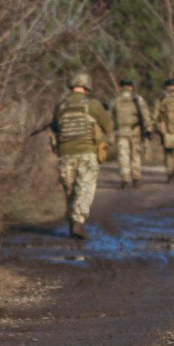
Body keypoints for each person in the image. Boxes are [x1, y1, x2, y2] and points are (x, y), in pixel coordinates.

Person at [51, 72, 113, 239]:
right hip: (87, 153)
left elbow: (55, 127)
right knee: (84, 189)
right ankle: (77, 223)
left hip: (65, 154)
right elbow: (108, 126)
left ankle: (73, 222)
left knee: (70, 189)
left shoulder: (60, 106)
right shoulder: (93, 105)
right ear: (87, 87)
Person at [111, 79, 154, 188]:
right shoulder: (138, 99)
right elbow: (145, 114)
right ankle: (136, 177)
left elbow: (110, 117)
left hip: (121, 132)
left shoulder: (115, 100)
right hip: (136, 131)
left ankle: (125, 177)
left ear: (120, 87)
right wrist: (148, 129)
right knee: (136, 155)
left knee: (123, 155)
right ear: (131, 87)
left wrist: (110, 132)